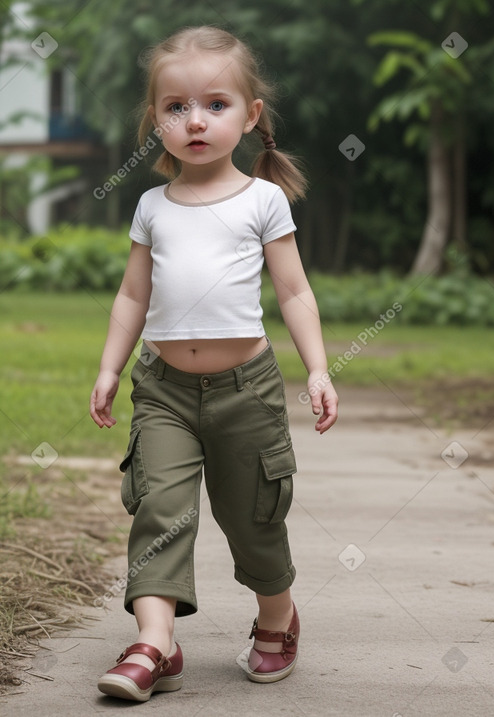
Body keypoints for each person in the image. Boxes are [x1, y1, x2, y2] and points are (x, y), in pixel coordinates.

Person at [89, 25, 338, 702]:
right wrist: (111, 367)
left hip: (245, 393)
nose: (194, 120)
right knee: (159, 508)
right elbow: (132, 294)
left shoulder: (261, 200)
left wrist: (317, 368)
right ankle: (154, 643)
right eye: (175, 107)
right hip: (163, 390)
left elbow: (294, 290)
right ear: (156, 120)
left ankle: (277, 617)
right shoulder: (151, 206)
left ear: (251, 115)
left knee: (254, 517)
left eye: (215, 104)